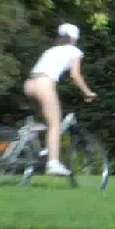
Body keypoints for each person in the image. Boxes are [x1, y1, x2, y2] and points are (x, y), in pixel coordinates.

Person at [25, 23, 97, 176]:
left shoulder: (50, 50)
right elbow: (75, 75)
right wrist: (87, 92)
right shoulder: (74, 51)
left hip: (29, 84)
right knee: (55, 124)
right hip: (44, 85)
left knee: (45, 122)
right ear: (74, 38)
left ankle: (34, 144)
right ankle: (53, 163)